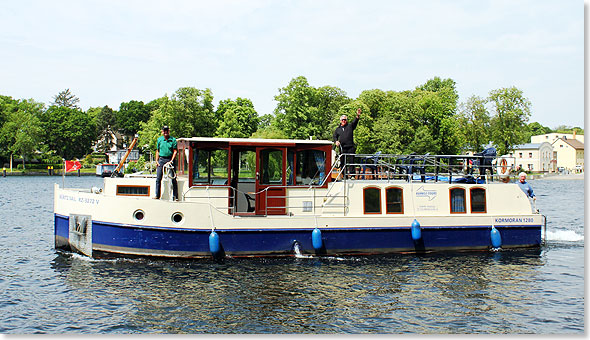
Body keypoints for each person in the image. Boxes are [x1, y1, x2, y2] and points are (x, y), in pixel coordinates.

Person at [333, 108, 361, 177]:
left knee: (351, 161)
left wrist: (357, 115)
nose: (344, 121)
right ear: (340, 121)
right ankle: (343, 175)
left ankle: (352, 175)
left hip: (350, 147)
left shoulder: (350, 126)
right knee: (342, 162)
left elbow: (355, 122)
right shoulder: (337, 129)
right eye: (342, 120)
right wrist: (336, 141)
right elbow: (334, 136)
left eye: (345, 120)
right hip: (342, 148)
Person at [154, 125, 178, 200]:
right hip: (161, 160)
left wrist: (171, 160)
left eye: (167, 130)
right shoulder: (159, 140)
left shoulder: (173, 140)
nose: (166, 132)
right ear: (162, 132)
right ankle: (157, 195)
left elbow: (175, 151)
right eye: (164, 131)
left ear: (169, 131)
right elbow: (157, 151)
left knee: (173, 178)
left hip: (170, 159)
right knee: (158, 178)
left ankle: (175, 196)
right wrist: (156, 161)